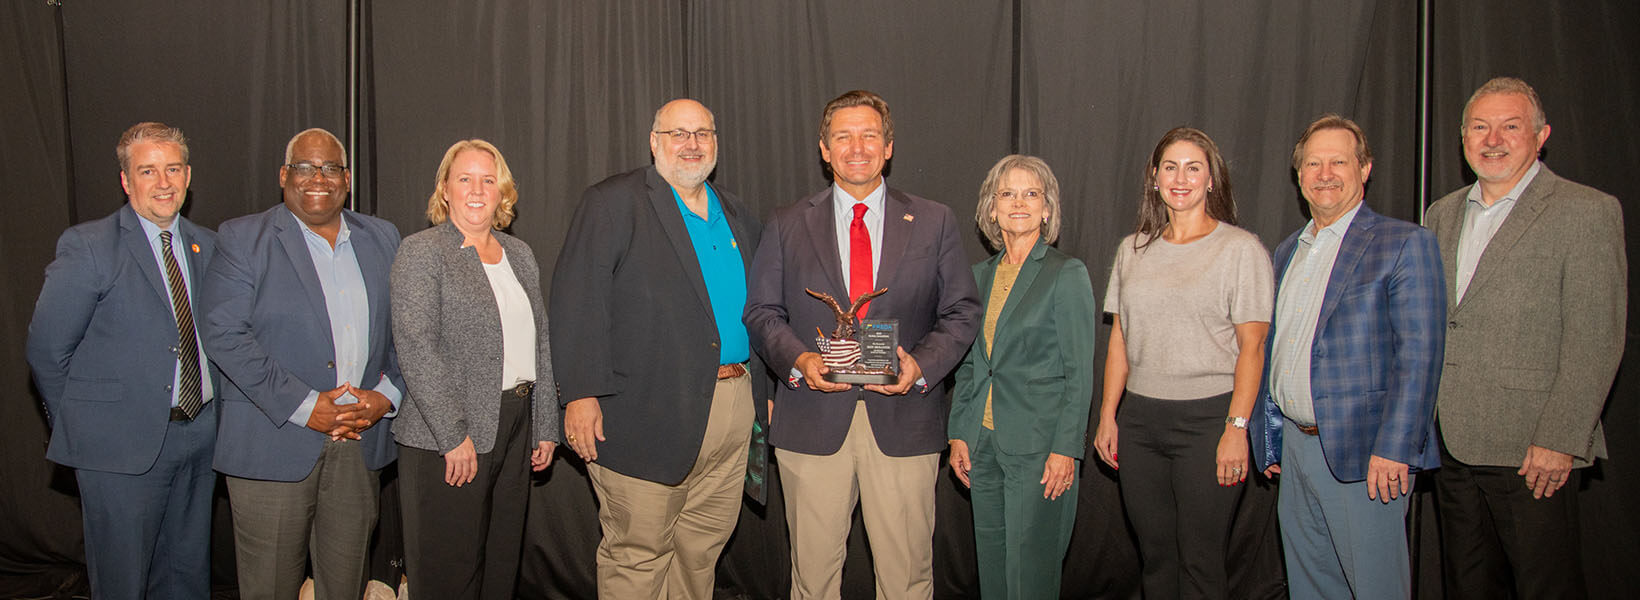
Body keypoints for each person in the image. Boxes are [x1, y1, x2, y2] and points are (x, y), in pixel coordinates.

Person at [744, 89, 982, 600]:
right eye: (843, 137)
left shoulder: (935, 220)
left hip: (903, 425)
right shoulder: (787, 223)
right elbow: (761, 312)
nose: (857, 147)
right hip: (811, 423)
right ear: (824, 150)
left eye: (869, 135)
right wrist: (799, 359)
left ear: (889, 146)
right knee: (812, 579)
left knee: (907, 578)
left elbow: (962, 311)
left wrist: (919, 366)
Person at [550, 99, 767, 599]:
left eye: (702, 134)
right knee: (638, 555)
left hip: (732, 408)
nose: (691, 144)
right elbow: (576, 301)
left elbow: (759, 310)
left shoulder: (736, 215)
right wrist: (579, 395)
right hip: (641, 414)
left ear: (716, 143)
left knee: (700, 553)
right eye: (678, 133)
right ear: (654, 142)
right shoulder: (614, 203)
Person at [1425, 77, 1626, 599]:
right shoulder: (1440, 215)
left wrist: (1561, 437)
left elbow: (1597, 337)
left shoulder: (1585, 212)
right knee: (1468, 587)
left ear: (1541, 136)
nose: (1493, 139)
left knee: (1546, 588)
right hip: (1451, 445)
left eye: (1510, 126)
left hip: (1532, 451)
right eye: (1479, 127)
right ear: (1463, 137)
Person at [1248, 115, 1446, 599]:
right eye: (1312, 163)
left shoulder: (1403, 244)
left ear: (1366, 168)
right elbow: (1278, 349)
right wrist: (1269, 437)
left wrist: (1397, 447)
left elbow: (1419, 356)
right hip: (1296, 450)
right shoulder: (1287, 251)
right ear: (1298, 177)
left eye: (1339, 161)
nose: (1325, 173)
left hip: (1367, 455)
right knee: (1311, 586)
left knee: (1377, 587)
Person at [202, 128, 403, 600]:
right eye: (305, 167)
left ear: (346, 178)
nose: (318, 177)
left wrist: (386, 397)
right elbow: (225, 335)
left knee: (346, 587)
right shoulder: (242, 237)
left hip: (358, 442)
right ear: (283, 176)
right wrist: (307, 405)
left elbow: (407, 333)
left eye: (330, 167)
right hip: (272, 444)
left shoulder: (383, 237)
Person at [25, 122, 219, 600]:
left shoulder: (209, 246)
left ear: (189, 175)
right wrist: (83, 430)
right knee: (123, 584)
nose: (163, 182)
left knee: (187, 579)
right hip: (118, 452)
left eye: (173, 168)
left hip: (200, 439)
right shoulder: (89, 246)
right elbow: (47, 350)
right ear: (126, 181)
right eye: (148, 171)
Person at [1092, 128, 1273, 599]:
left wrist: (1237, 427)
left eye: (1194, 167)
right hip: (1141, 423)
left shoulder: (1240, 250)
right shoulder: (1132, 250)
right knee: (1155, 558)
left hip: (1210, 422)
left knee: (1200, 562)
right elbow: (1120, 343)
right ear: (1154, 178)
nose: (1181, 178)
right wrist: (1109, 416)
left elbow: (1252, 348)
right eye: (1170, 167)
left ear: (1212, 179)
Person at [391, 139, 561, 599]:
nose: (477, 189)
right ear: (445, 189)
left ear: (502, 190)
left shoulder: (519, 254)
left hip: (515, 424)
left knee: (500, 562)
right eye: (464, 178)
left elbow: (539, 341)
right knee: (450, 572)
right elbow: (416, 346)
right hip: (448, 434)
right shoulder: (422, 252)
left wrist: (547, 424)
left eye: (488, 179)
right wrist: (452, 434)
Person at [946, 155, 1096, 599]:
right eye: (1007, 193)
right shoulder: (977, 277)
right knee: (993, 567)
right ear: (991, 208)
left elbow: (1079, 372)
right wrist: (959, 433)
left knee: (1031, 573)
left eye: (1031, 193)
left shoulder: (1066, 274)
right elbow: (973, 364)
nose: (1019, 203)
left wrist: (1066, 448)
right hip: (983, 444)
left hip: (1040, 448)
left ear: (1047, 208)